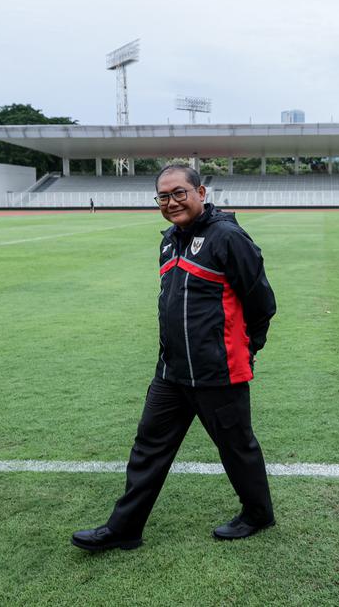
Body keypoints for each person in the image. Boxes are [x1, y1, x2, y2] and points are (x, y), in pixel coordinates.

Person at [72, 164, 277, 552]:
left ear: (200, 191)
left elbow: (261, 303)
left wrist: (248, 349)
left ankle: (258, 514)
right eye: (163, 196)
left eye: (179, 193)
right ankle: (125, 528)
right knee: (148, 448)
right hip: (171, 373)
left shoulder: (228, 237)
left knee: (237, 449)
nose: (171, 202)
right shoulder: (169, 240)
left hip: (218, 372)